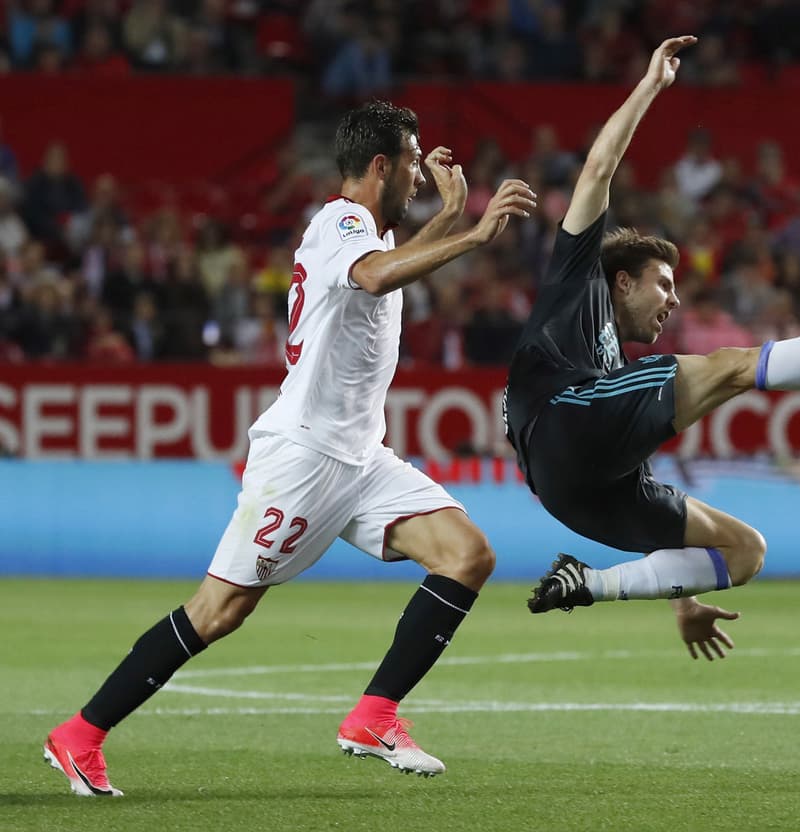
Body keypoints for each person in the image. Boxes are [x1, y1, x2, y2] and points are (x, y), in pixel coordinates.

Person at [41, 101, 537, 796]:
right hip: (305, 459)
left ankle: (374, 715)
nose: (423, 174)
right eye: (414, 160)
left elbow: (385, 266)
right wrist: (476, 235)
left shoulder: (366, 232)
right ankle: (80, 736)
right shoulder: (341, 222)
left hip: (361, 458)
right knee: (217, 612)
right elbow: (372, 275)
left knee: (468, 556)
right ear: (380, 166)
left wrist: (451, 219)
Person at [503, 38, 800, 662]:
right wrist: (652, 85)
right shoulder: (576, 280)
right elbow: (599, 167)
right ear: (623, 280)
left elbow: (635, 474)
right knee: (736, 367)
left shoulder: (611, 374)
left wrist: (683, 599)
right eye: (664, 283)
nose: (674, 300)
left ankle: (588, 585)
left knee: (745, 551)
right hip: (561, 422)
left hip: (572, 487)